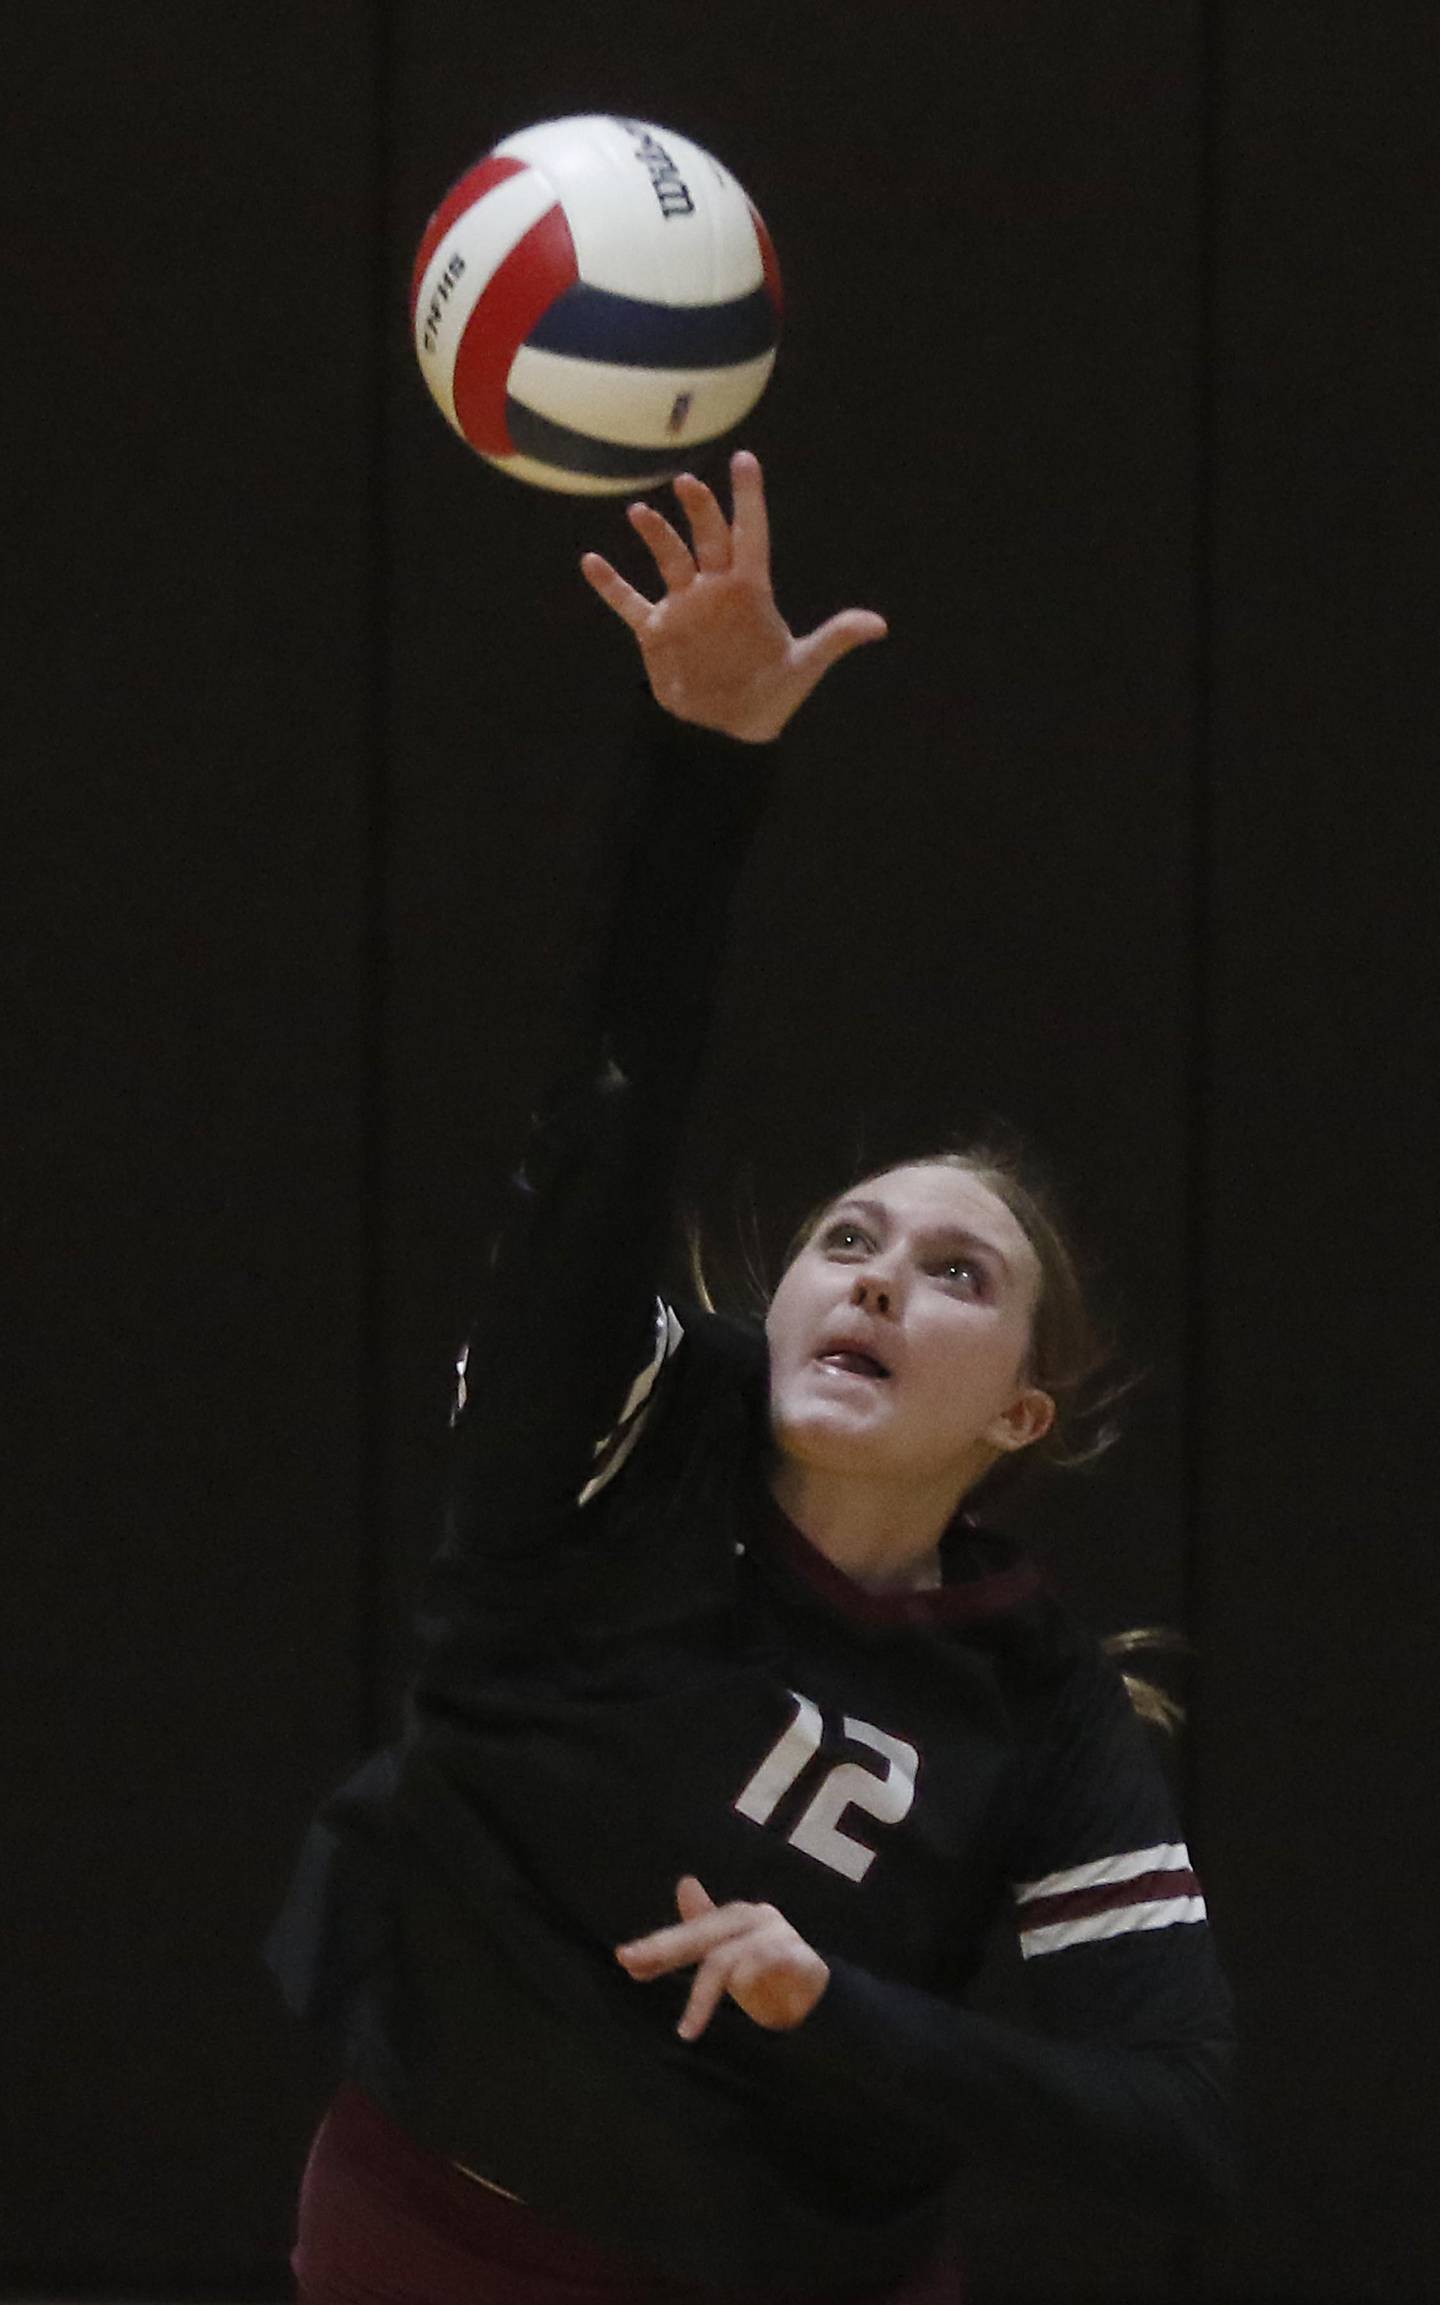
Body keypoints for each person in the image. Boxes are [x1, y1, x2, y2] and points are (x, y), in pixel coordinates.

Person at [264, 451, 1237, 2305]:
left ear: (1021, 1409)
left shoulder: (1034, 1701)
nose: (879, 1276)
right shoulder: (629, 1436)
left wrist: (835, 2001)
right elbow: (600, 1126)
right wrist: (702, 764)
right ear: (776, 1299)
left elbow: (1178, 2113)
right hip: (446, 2228)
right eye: (849, 1240)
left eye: (959, 1274)